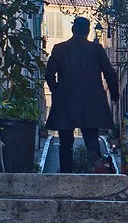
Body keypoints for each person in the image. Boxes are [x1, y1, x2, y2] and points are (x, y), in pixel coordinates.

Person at [44, 17, 119, 173]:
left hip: (66, 101)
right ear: (87, 31)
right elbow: (110, 73)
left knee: (65, 143)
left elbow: (49, 74)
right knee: (91, 139)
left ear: (73, 30)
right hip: (91, 101)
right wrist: (115, 95)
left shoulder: (60, 49)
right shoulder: (96, 49)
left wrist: (57, 91)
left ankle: (66, 175)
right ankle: (97, 172)